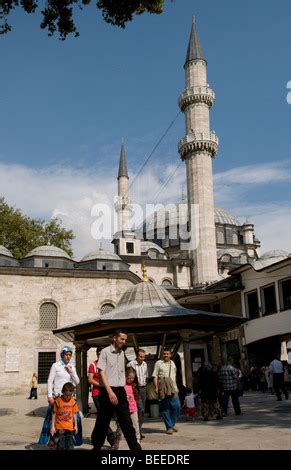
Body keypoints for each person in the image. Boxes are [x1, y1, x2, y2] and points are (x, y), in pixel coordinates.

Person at [91, 330, 142, 451]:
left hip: (120, 390)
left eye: (125, 339)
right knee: (103, 423)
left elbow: (121, 374)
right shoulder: (105, 352)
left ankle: (136, 449)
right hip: (107, 391)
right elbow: (101, 372)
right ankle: (97, 447)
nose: (124, 342)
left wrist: (125, 392)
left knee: (127, 422)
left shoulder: (122, 353)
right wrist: (110, 392)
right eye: (121, 339)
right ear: (114, 338)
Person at [38, 345, 82, 446]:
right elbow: (50, 380)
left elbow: (77, 381)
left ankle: (71, 439)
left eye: (70, 355)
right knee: (52, 418)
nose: (68, 357)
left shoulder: (72, 367)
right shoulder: (56, 365)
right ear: (62, 355)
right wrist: (49, 395)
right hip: (57, 396)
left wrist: (71, 373)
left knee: (73, 417)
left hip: (68, 397)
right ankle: (51, 438)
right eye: (66, 355)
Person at [88, 347, 115, 447]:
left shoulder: (107, 365)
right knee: (104, 416)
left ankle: (94, 437)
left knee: (101, 416)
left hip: (107, 393)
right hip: (97, 394)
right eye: (99, 353)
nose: (101, 355)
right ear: (97, 354)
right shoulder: (93, 365)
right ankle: (111, 438)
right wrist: (101, 384)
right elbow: (90, 380)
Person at [152, 348, 181, 435]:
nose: (165, 355)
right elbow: (155, 376)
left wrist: (176, 387)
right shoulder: (158, 363)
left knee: (177, 406)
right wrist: (156, 387)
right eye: (164, 354)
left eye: (167, 354)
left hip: (172, 387)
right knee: (165, 407)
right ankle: (169, 427)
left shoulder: (172, 363)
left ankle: (172, 424)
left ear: (170, 355)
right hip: (163, 386)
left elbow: (174, 376)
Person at [127, 348, 148, 438]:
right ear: (136, 355)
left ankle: (138, 430)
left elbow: (146, 376)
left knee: (142, 410)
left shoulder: (145, 364)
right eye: (140, 356)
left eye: (143, 357)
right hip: (135, 388)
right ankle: (135, 431)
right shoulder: (131, 364)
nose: (142, 358)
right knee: (138, 408)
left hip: (143, 388)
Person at [51, 382, 79, 450]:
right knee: (61, 444)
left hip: (69, 426)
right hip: (60, 427)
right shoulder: (58, 401)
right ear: (62, 392)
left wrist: (76, 426)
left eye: (70, 395)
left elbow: (74, 413)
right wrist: (52, 427)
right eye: (66, 395)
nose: (68, 397)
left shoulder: (73, 401)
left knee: (70, 445)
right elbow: (54, 414)